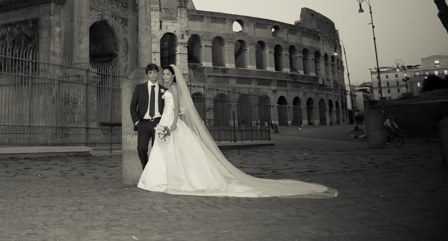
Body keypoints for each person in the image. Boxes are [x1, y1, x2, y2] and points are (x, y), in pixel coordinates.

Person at [138, 64, 337, 198]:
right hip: (163, 122)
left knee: (175, 152)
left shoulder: (172, 89)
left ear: (173, 76)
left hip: (170, 123)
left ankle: (168, 180)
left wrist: (172, 124)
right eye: (162, 74)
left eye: (166, 74)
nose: (164, 76)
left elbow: (178, 106)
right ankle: (162, 179)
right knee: (166, 153)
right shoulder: (165, 89)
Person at [130, 63, 165, 169]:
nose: (153, 75)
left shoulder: (164, 90)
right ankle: (146, 168)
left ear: (158, 73)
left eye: (155, 72)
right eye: (150, 73)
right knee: (141, 148)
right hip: (143, 124)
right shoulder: (140, 88)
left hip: (158, 123)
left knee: (156, 150)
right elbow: (132, 106)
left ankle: (154, 174)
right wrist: (137, 122)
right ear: (147, 75)